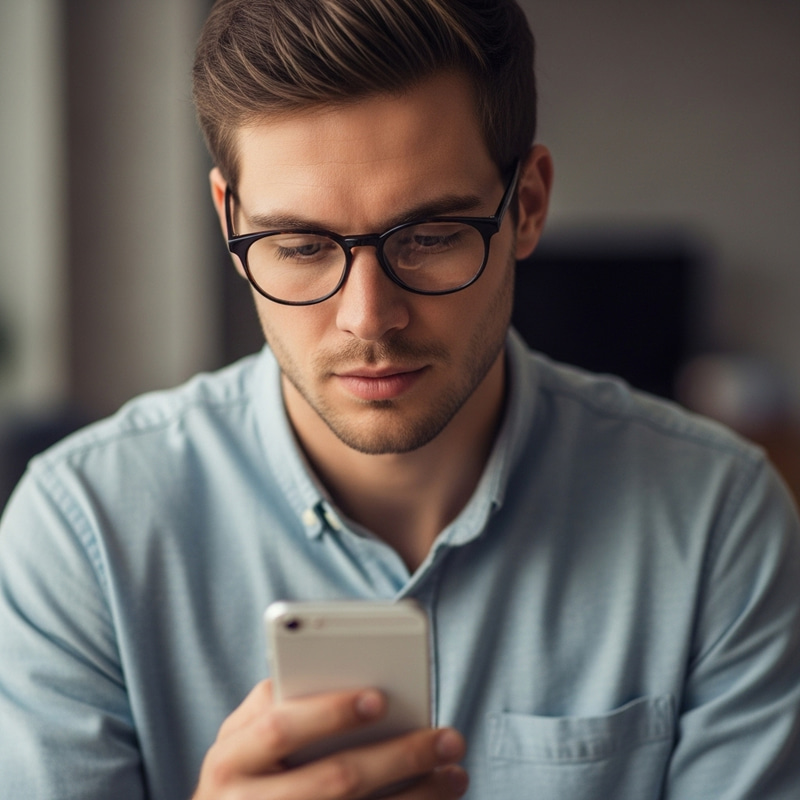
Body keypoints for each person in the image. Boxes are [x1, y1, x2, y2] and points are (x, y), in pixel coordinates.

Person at [1, 0, 799, 797]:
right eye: (302, 246)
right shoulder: (81, 537)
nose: (368, 319)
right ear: (229, 222)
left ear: (526, 206)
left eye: (427, 237)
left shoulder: (717, 524)